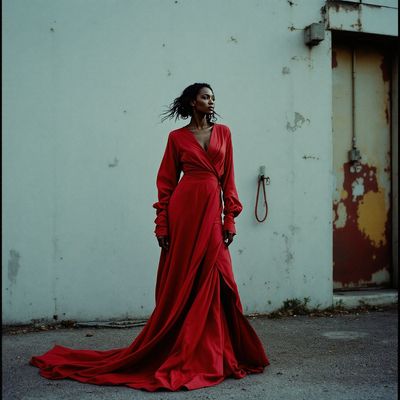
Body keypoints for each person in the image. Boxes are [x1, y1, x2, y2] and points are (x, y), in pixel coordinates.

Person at [30, 83, 270, 391]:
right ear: (192, 101)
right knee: (184, 280)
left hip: (211, 211)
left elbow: (229, 179)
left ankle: (216, 352)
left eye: (213, 97)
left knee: (219, 274)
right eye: (205, 96)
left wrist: (230, 219)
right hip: (184, 214)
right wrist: (162, 225)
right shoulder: (176, 138)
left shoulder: (224, 133)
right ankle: (189, 351)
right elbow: (167, 184)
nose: (211, 101)